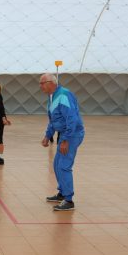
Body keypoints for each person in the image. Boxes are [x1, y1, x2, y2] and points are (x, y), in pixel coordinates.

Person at [40, 73, 85, 211]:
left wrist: (66, 139)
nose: (40, 86)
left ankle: (69, 200)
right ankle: (62, 193)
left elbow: (71, 119)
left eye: (42, 83)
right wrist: (48, 135)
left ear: (51, 82)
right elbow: (54, 119)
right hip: (64, 134)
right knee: (57, 164)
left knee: (64, 166)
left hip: (72, 134)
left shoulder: (64, 95)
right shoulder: (52, 96)